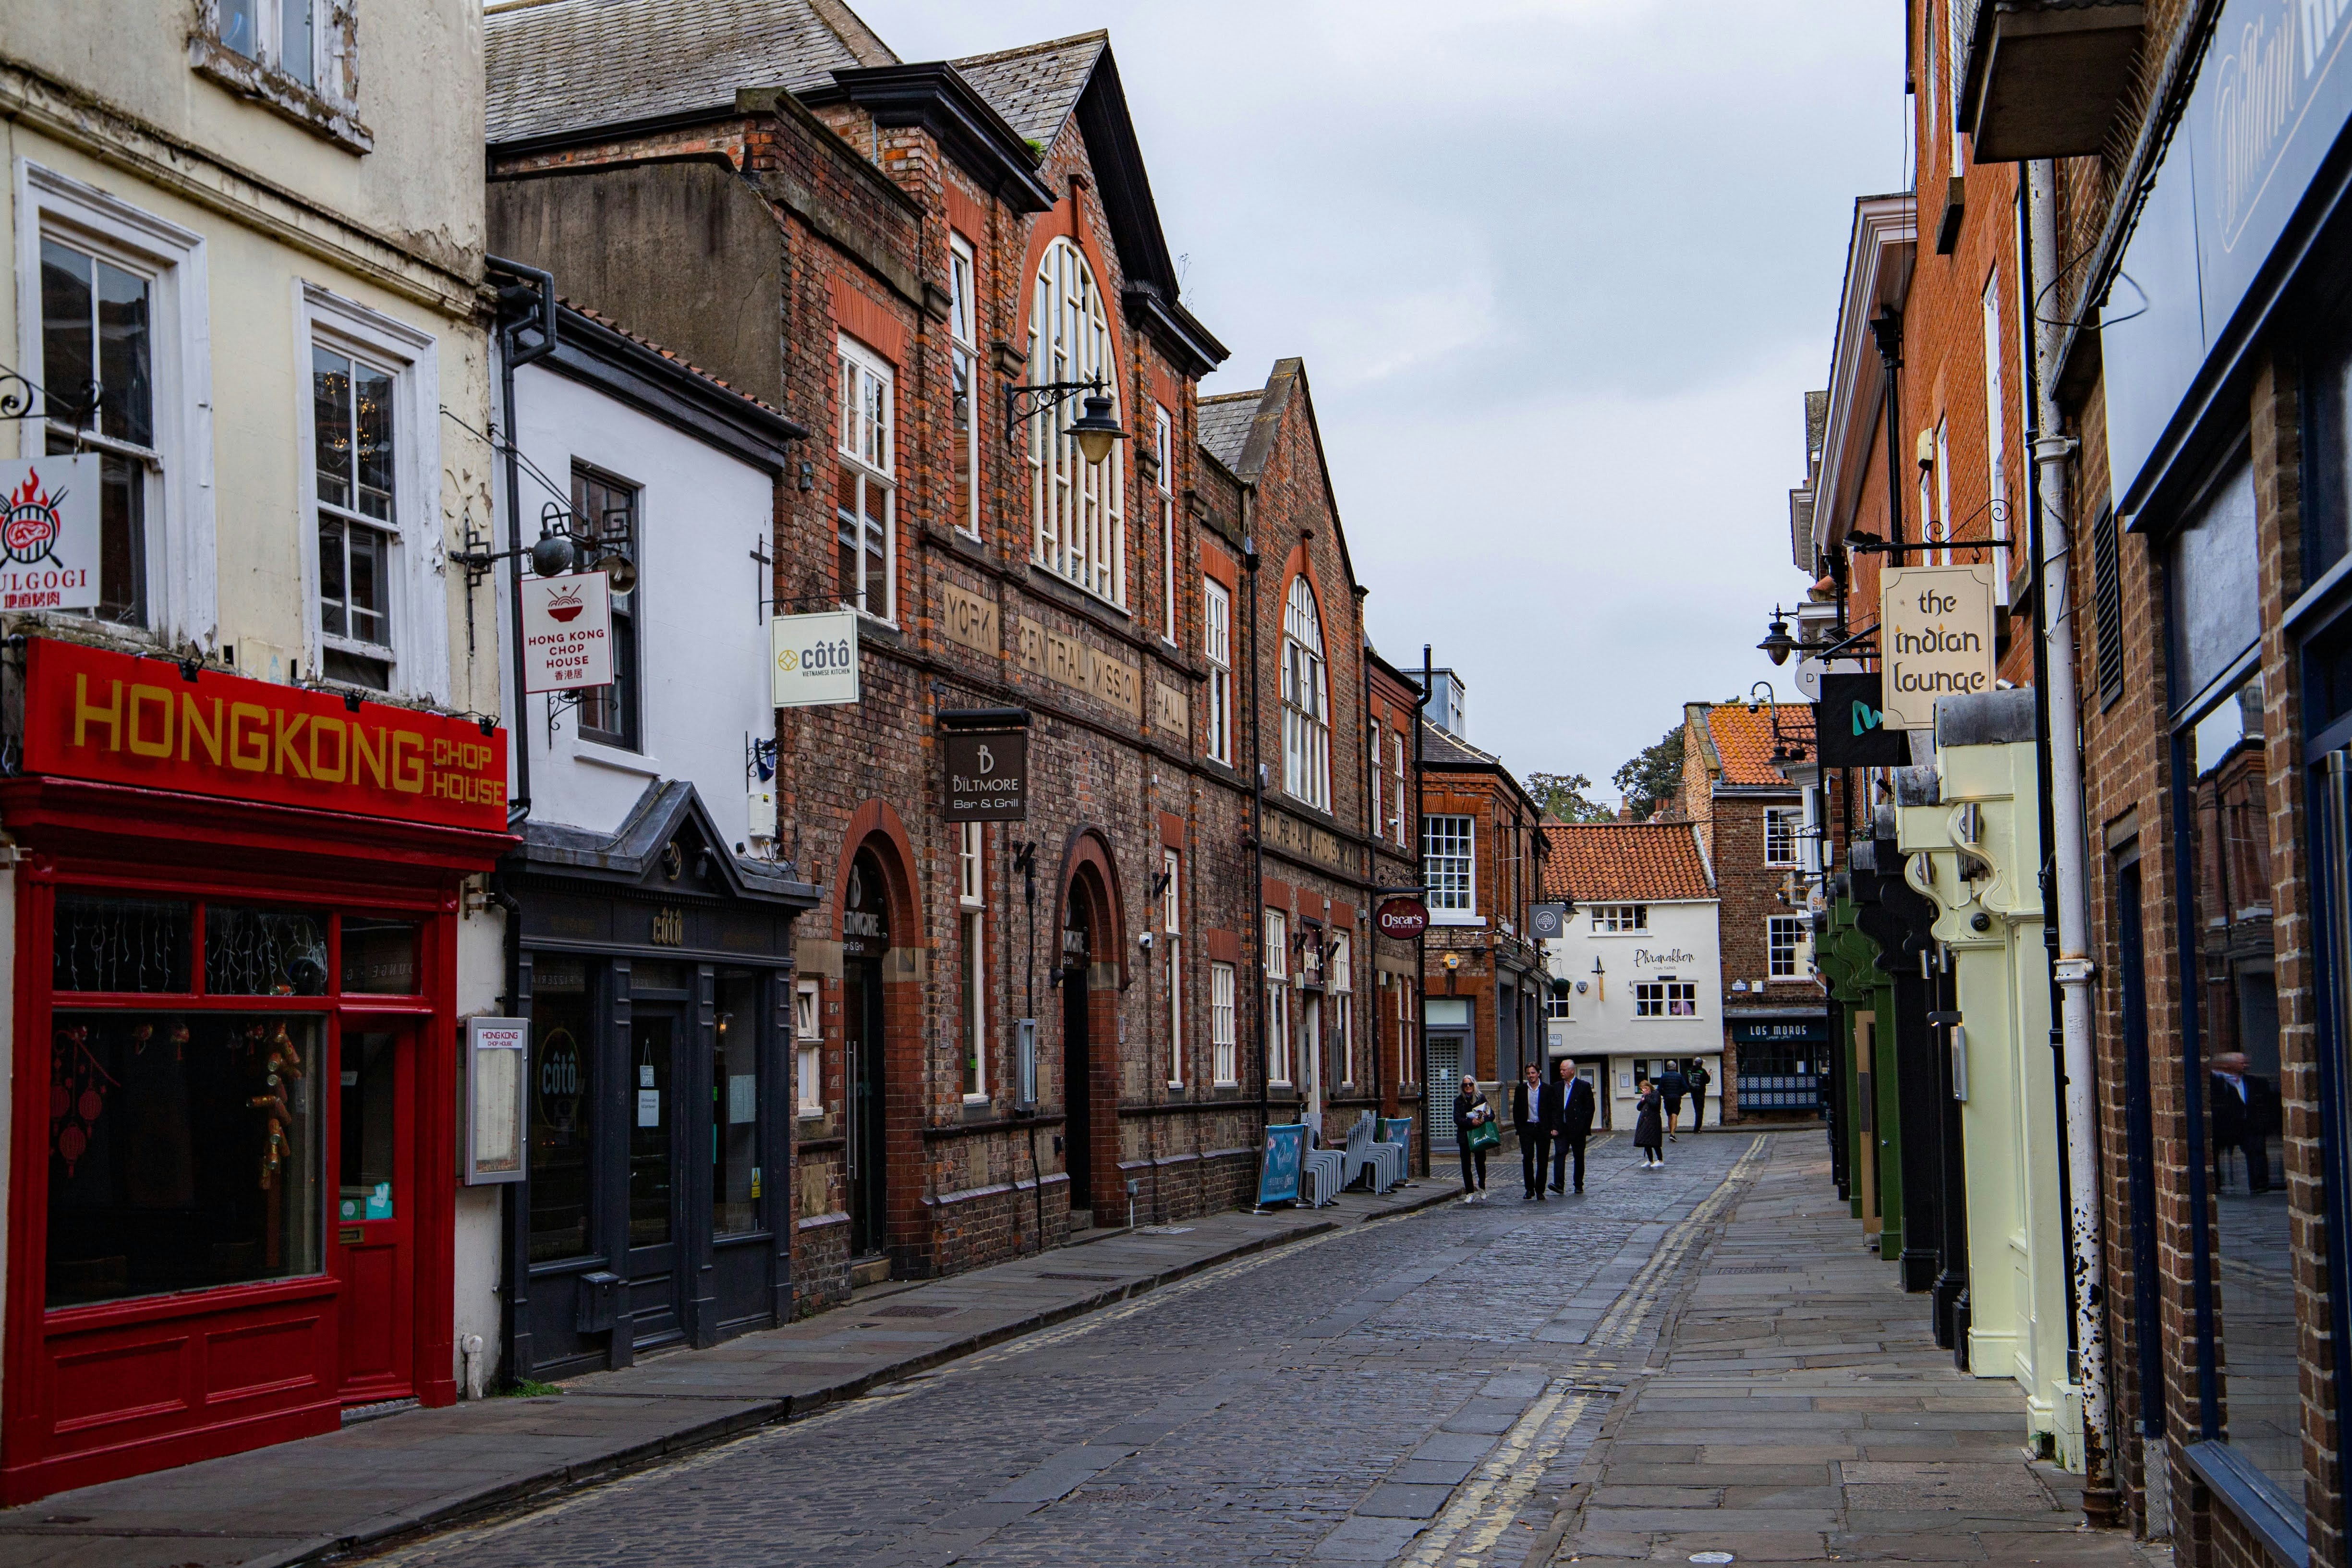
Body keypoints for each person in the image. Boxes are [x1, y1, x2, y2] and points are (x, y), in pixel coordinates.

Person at [2209, 1051, 2279, 1194]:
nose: (2246, 1065)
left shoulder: (2254, 1082)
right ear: (2227, 1065)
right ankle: (2215, 1183)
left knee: (2256, 1146)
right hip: (2222, 1127)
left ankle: (2259, 1183)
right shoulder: (2214, 1082)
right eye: (2241, 1063)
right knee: (2212, 1151)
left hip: (2248, 1126)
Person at [1548, 1057, 1595, 1193]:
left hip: (1577, 1129)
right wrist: (1554, 1126)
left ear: (1572, 1071)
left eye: (1564, 1070)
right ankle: (1559, 1184)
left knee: (1579, 1157)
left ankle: (1578, 1184)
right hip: (1561, 1128)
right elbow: (1553, 1108)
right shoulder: (1557, 1087)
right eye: (1561, 1070)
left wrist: (1584, 1128)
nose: (1561, 1072)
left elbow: (1590, 1109)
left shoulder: (1583, 1086)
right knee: (1559, 1154)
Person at [1511, 1063, 1547, 1200]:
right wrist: (1519, 1128)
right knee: (1527, 1158)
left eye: (1533, 1073)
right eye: (1528, 1073)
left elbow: (1553, 1109)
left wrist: (1553, 1128)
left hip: (1542, 1128)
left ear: (1539, 1073)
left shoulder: (1547, 1089)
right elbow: (1516, 1110)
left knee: (1542, 1160)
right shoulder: (1521, 1090)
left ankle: (1540, 1190)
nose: (1531, 1076)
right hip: (1527, 1128)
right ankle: (1529, 1189)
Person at [1454, 1075, 1491, 1202]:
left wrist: (1483, 1119)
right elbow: (1457, 1119)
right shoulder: (1458, 1101)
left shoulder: (1481, 1098)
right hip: (1465, 1136)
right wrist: (1471, 1122)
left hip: (1479, 1134)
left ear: (1474, 1085)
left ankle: (1482, 1187)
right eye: (1465, 1085)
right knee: (1466, 1164)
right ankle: (1469, 1192)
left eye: (1470, 1084)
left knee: (1480, 1162)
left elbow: (1491, 1115)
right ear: (1462, 1087)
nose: (1468, 1087)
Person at [1633, 1080, 1664, 1168]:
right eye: (1642, 1089)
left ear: (1649, 1087)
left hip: (1653, 1120)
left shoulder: (1656, 1094)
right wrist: (1642, 1101)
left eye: (1646, 1088)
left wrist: (1647, 1097)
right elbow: (1639, 1108)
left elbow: (1655, 1104)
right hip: (1645, 1121)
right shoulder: (1645, 1096)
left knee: (1655, 1141)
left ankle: (1660, 1160)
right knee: (1646, 1141)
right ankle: (1650, 1160)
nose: (1645, 1090)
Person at [1659, 1062, 1689, 1141]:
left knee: (1669, 1116)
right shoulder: (1679, 1076)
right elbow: (1686, 1088)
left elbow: (1659, 1089)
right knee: (1675, 1114)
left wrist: (1664, 1094)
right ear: (1675, 1067)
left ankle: (1671, 1133)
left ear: (1667, 1067)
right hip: (1676, 1097)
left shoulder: (1664, 1076)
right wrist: (1680, 1094)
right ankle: (1673, 1134)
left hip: (1667, 1098)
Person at [1685, 1057, 1711, 1131]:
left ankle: (1697, 1127)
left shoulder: (1690, 1071)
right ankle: (1697, 1128)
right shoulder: (1702, 1071)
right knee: (1700, 1110)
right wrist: (1709, 1075)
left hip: (1693, 1092)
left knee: (1696, 1109)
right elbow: (1707, 1081)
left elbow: (1688, 1081)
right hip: (1701, 1093)